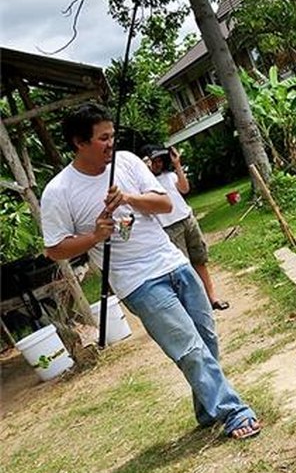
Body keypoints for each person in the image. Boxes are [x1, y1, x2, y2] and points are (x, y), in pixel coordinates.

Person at [40, 103, 259, 440]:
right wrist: (95, 236)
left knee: (205, 339)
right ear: (79, 142)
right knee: (188, 347)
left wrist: (128, 197)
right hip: (137, 282)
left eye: (112, 135)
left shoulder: (126, 162)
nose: (111, 143)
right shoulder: (59, 191)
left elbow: (165, 204)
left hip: (172, 261)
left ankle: (206, 409)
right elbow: (54, 248)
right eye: (102, 139)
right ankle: (233, 412)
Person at [143, 143, 228, 310]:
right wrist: (144, 169)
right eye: (154, 161)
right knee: (185, 269)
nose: (158, 164)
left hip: (188, 220)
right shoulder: (144, 185)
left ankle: (212, 298)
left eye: (161, 160)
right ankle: (199, 304)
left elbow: (185, 188)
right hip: (169, 229)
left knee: (200, 260)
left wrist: (177, 164)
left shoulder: (170, 175)